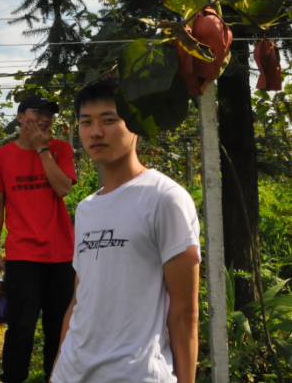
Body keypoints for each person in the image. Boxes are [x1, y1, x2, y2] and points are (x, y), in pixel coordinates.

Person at [50, 76, 200, 383]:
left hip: (135, 374)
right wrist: (56, 371)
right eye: (86, 122)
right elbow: (79, 299)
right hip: (72, 373)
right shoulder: (86, 208)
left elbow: (185, 312)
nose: (95, 132)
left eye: (109, 120)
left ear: (136, 123)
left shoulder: (164, 198)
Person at [0, 95, 77, 383]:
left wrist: (42, 150)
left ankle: (55, 377)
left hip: (62, 254)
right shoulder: (0, 157)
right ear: (21, 117)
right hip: (22, 255)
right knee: (21, 326)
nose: (45, 118)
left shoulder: (60, 149)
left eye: (49, 114)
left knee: (58, 326)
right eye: (38, 112)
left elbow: (63, 189)